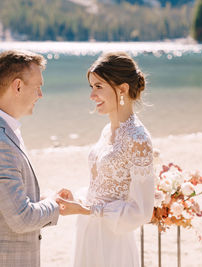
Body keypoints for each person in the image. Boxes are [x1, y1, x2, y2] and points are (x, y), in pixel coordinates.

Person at [57, 52, 157, 267]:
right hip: (88, 231)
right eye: (91, 87)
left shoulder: (138, 139)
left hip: (113, 241)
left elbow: (142, 211)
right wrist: (79, 200)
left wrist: (88, 210)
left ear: (122, 89)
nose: (92, 96)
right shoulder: (107, 131)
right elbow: (103, 187)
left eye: (98, 87)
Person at [0, 50, 60, 267]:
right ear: (17, 86)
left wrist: (44, 198)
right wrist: (56, 205)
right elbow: (22, 218)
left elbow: (4, 199)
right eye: (38, 87)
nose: (40, 95)